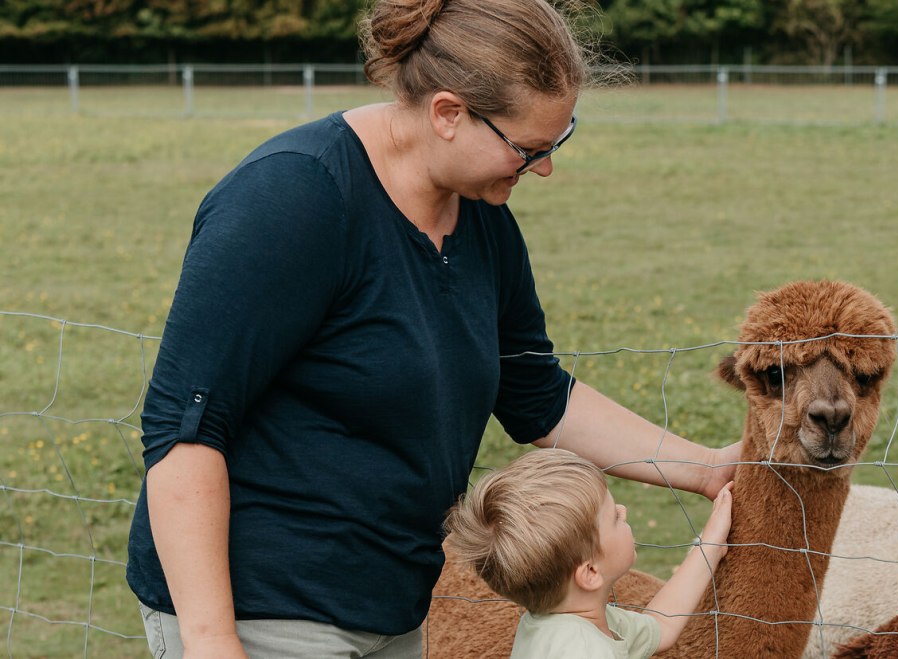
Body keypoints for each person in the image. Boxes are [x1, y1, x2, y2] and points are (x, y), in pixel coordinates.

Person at [124, 1, 740, 657]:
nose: (544, 169)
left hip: (393, 608)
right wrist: (214, 641)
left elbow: (537, 394)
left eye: (556, 145)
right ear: (448, 113)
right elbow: (184, 425)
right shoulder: (292, 200)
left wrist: (705, 469)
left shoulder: (483, 223)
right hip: (264, 613)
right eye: (528, 149)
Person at [443, 449, 734, 658]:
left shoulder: (561, 621)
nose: (624, 510)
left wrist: (709, 544)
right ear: (590, 572)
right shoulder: (581, 650)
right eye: (614, 519)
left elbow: (662, 625)